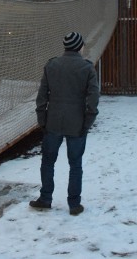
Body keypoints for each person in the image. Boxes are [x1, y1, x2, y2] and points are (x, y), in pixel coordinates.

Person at [29, 31, 100, 216]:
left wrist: (42, 119)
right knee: (75, 164)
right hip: (77, 124)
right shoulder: (87, 68)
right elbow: (93, 98)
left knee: (47, 161)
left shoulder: (52, 65)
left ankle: (45, 199)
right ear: (79, 46)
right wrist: (88, 120)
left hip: (53, 122)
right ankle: (74, 204)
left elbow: (42, 96)